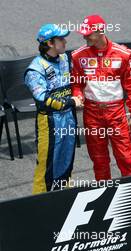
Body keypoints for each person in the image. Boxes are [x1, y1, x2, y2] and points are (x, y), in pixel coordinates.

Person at [71, 15, 131, 181]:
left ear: (100, 31)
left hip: (116, 114)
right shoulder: (77, 56)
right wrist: (77, 95)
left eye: (89, 33)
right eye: (84, 33)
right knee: (99, 161)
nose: (84, 36)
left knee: (127, 159)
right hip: (92, 114)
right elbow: (76, 84)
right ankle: (104, 198)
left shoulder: (124, 54)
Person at [25, 23, 82, 194]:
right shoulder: (35, 69)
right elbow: (43, 98)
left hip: (69, 119)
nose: (65, 42)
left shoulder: (65, 59)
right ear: (50, 43)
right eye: (61, 39)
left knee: (66, 161)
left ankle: (63, 199)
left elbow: (76, 81)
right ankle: (39, 205)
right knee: (47, 166)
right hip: (49, 121)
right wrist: (71, 102)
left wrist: (78, 96)